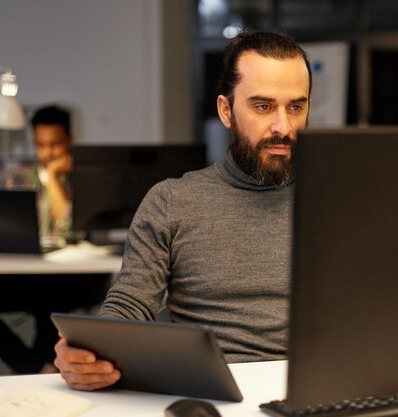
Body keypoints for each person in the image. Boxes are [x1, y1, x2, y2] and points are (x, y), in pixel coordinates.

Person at [54, 29, 312, 391]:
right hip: (210, 392)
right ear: (226, 110)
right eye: (263, 106)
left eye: (296, 107)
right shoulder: (172, 201)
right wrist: (90, 352)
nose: (283, 127)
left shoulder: (334, 203)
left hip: (311, 388)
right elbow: (130, 303)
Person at [0, 105, 110, 374]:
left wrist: (53, 178)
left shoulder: (86, 179)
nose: (47, 152)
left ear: (69, 142)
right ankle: (34, 368)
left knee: (48, 302)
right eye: (40, 145)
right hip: (27, 271)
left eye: (55, 144)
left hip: (74, 277)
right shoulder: (18, 176)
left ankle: (39, 372)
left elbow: (70, 229)